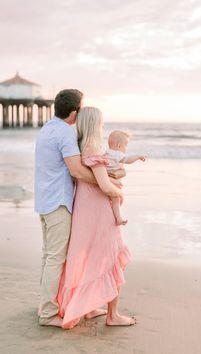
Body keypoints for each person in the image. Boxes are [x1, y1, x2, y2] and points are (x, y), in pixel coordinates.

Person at [35, 90, 123, 327]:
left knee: (49, 257)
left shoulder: (47, 128)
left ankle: (47, 305)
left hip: (44, 200)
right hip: (58, 202)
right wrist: (108, 182)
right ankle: (48, 314)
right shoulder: (64, 133)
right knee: (55, 258)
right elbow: (76, 171)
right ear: (74, 113)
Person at [56, 107, 136, 329]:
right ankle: (113, 315)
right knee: (111, 255)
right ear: (95, 124)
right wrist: (119, 192)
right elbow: (104, 185)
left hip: (84, 205)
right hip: (97, 209)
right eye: (101, 122)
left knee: (89, 254)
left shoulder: (80, 147)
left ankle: (90, 308)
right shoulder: (93, 147)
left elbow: (98, 175)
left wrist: (117, 173)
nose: (103, 125)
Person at [105, 130, 146, 225]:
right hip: (113, 183)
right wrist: (137, 157)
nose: (126, 148)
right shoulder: (117, 154)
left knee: (114, 199)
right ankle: (118, 218)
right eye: (126, 145)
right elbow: (128, 160)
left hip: (107, 180)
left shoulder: (107, 153)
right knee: (116, 199)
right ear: (119, 146)